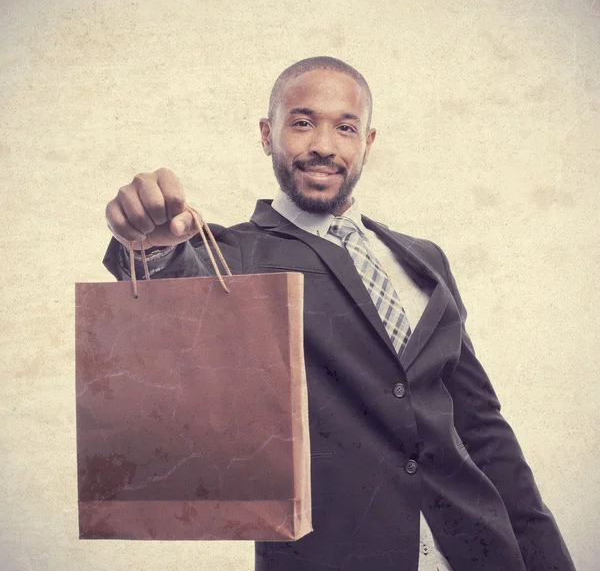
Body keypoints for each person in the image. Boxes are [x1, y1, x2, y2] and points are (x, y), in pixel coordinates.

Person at [103, 56, 576, 571]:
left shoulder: (425, 259)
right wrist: (147, 246)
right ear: (268, 134)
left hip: (480, 551)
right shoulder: (234, 255)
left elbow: (482, 427)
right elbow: (177, 306)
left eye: (345, 128)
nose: (324, 145)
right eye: (302, 123)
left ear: (367, 142)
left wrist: (547, 558)